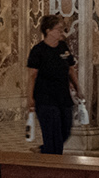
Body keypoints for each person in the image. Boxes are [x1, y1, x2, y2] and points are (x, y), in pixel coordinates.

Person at [25, 13, 80, 155]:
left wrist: (78, 88)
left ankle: (43, 150)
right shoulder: (38, 51)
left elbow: (70, 69)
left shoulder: (63, 47)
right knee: (51, 135)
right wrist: (30, 98)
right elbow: (32, 76)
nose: (61, 31)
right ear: (48, 30)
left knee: (65, 131)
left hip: (63, 97)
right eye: (58, 28)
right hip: (46, 99)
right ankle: (53, 167)